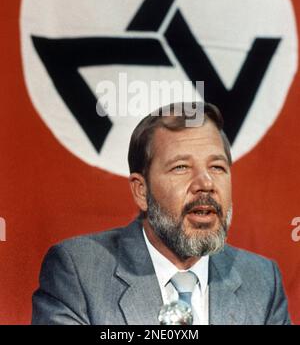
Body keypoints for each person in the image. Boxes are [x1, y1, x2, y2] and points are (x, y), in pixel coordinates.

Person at [31, 102, 291, 325]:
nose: (206, 183)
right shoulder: (79, 272)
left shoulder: (262, 279)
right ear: (141, 191)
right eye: (181, 167)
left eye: (217, 167)